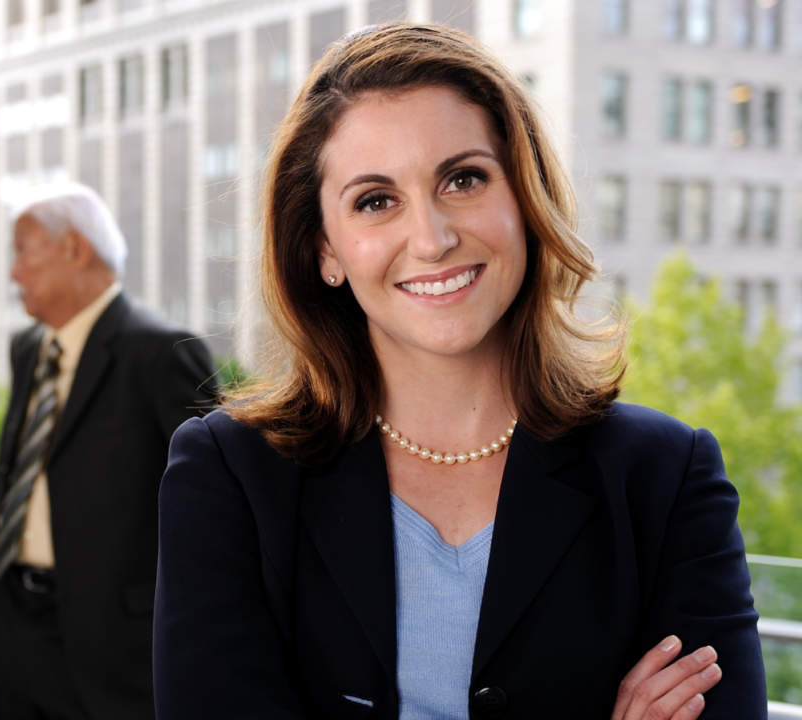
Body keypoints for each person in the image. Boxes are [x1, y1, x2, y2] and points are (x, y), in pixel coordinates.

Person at [154, 24, 765, 720]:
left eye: (464, 179)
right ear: (325, 249)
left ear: (524, 200)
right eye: (376, 200)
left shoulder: (666, 479)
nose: (433, 239)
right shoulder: (228, 478)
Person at [0, 182, 218, 720]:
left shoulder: (164, 351)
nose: (12, 272)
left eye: (22, 249)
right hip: (10, 624)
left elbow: (215, 515)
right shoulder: (29, 347)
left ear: (74, 249)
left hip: (113, 647)